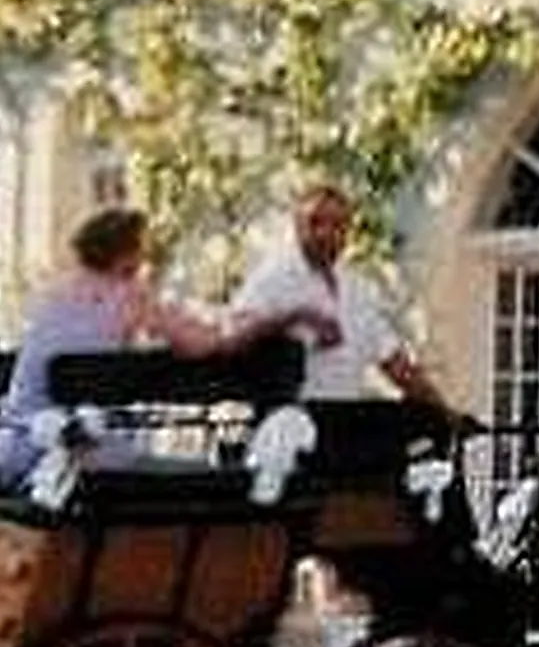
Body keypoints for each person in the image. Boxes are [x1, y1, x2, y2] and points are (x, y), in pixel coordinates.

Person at [0, 206, 336, 484]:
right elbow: (207, 345)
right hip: (77, 451)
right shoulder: (131, 295)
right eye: (142, 247)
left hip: (17, 444)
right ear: (128, 252)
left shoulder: (58, 291)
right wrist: (288, 316)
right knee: (203, 471)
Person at [229, 183, 452, 410]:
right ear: (297, 227)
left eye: (338, 225)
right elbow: (235, 333)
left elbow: (395, 363)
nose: (326, 233)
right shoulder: (274, 278)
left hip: (343, 424)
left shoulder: (357, 290)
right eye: (315, 222)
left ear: (347, 232)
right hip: (286, 423)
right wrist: (295, 318)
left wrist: (444, 410)